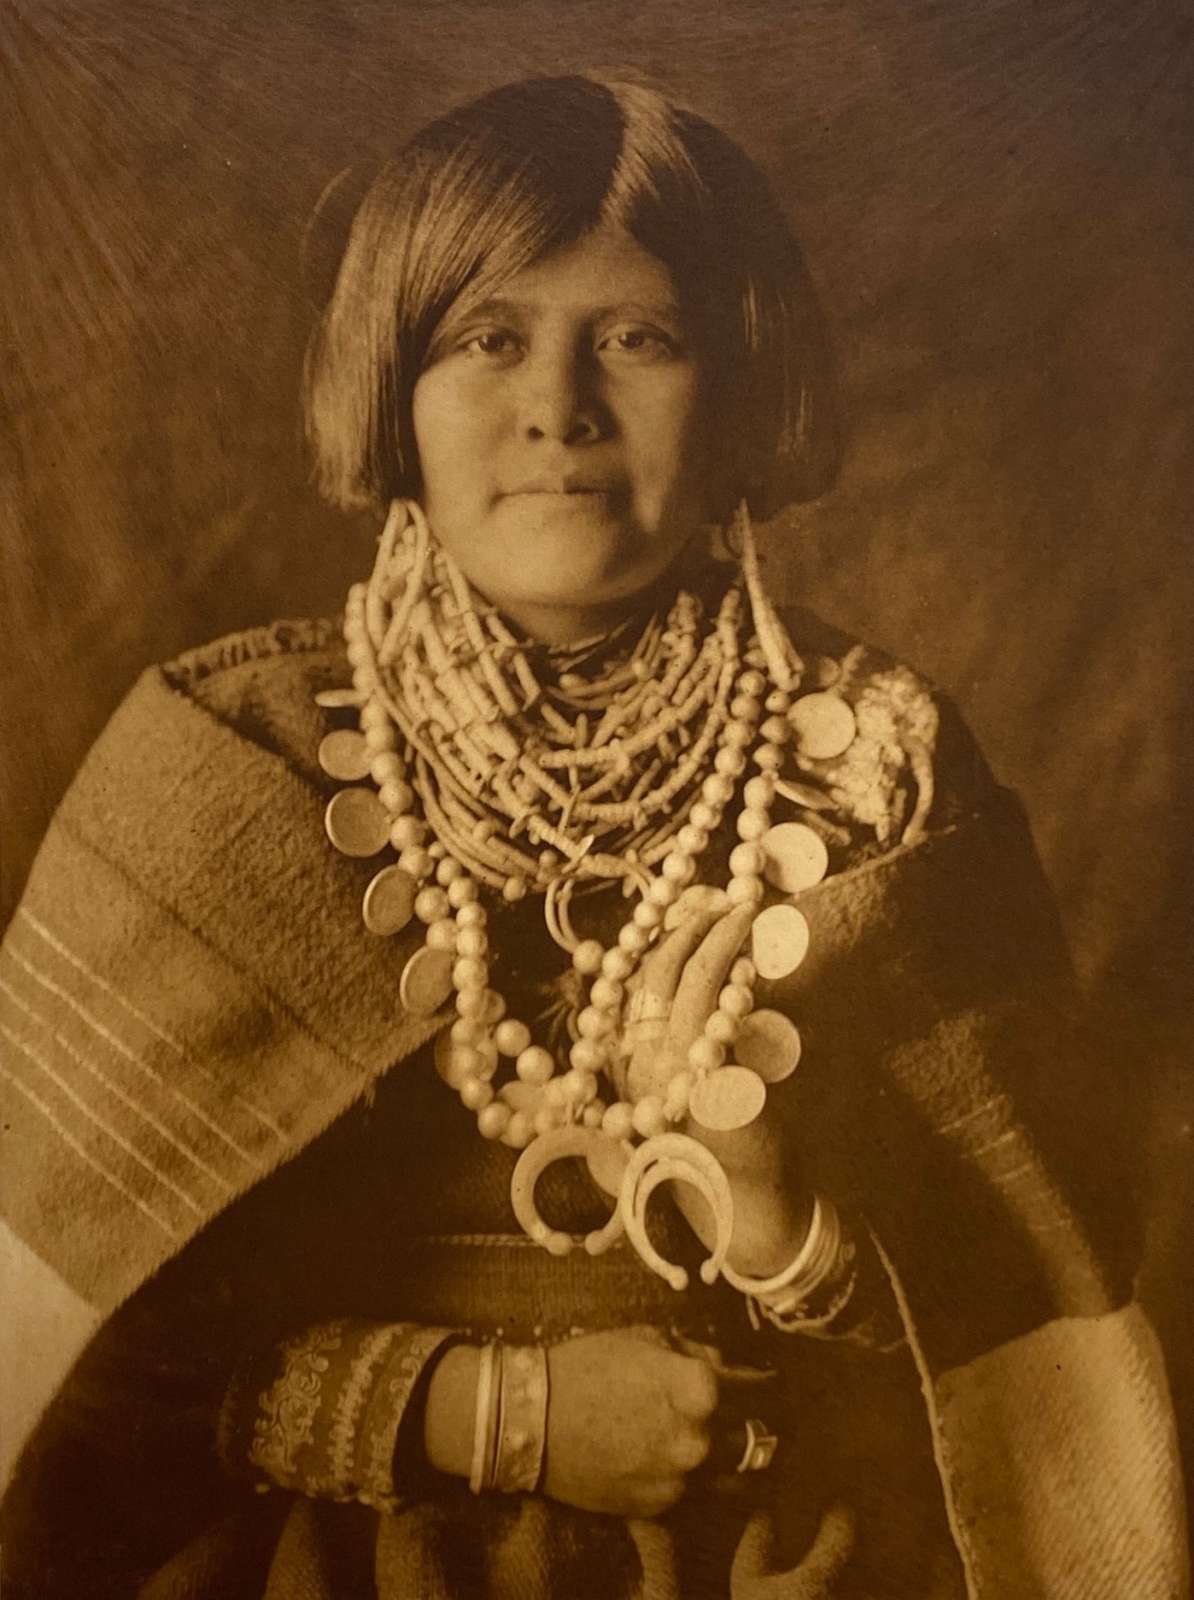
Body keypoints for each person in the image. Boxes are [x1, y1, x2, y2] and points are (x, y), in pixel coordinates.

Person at [0, 73, 1185, 1600]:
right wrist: (497, 1418)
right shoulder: (231, 760)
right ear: (392, 390)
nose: (555, 405)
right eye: (485, 338)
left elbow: (1025, 1360)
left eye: (637, 338)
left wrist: (780, 1228)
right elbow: (68, 1359)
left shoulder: (873, 773)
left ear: (744, 387)